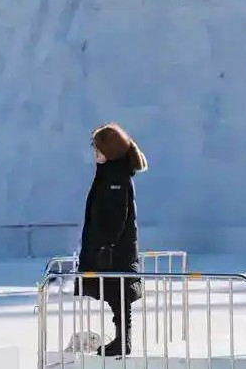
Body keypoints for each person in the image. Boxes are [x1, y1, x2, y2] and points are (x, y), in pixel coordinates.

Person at [77, 123, 147, 356]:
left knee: (118, 294)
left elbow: (117, 215)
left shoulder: (115, 177)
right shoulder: (110, 173)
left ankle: (123, 340)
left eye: (98, 148)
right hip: (111, 248)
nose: (95, 152)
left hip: (115, 251)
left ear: (110, 150)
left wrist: (106, 245)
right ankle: (121, 339)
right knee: (115, 295)